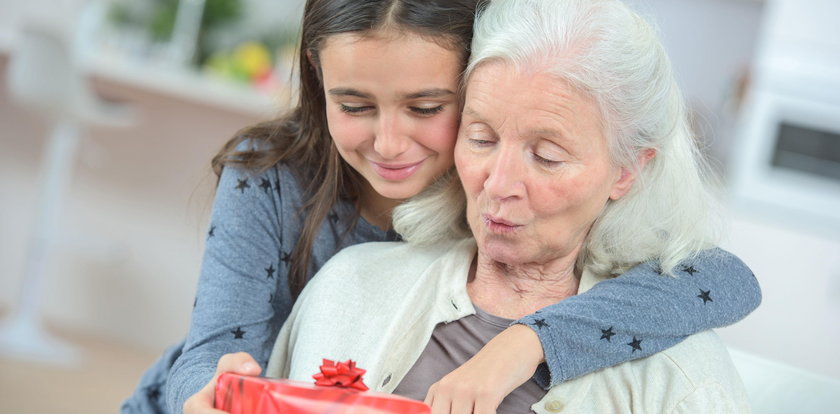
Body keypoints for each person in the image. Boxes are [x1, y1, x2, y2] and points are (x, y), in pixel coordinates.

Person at [122, 0, 760, 412]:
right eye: (354, 105)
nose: (390, 143)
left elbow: (723, 279)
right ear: (320, 91)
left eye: (427, 108)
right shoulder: (277, 178)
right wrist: (205, 393)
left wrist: (524, 345)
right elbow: (216, 344)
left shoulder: (500, 186)